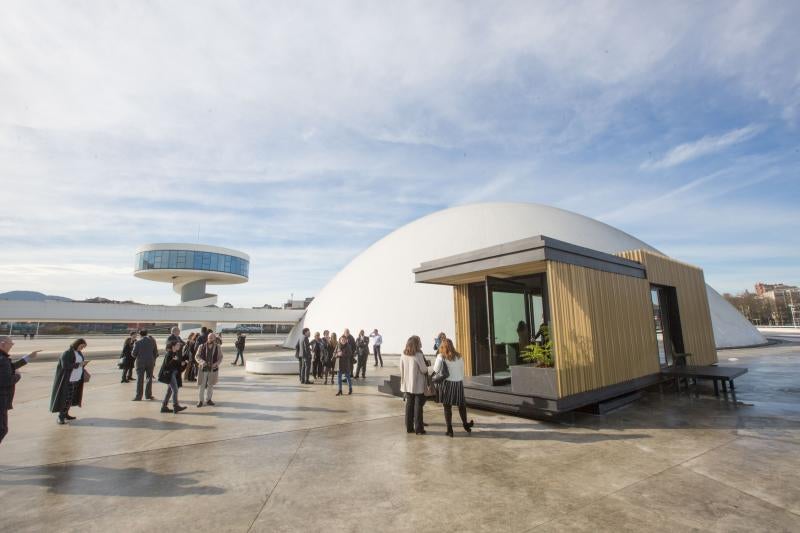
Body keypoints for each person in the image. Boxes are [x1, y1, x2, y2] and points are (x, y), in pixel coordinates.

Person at [0, 336, 40, 444]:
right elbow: (6, 380)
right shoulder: (2, 359)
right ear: (3, 344)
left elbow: (10, 367)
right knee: (2, 429)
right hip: (1, 399)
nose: (12, 345)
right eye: (11, 343)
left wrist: (28, 357)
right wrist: (18, 376)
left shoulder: (3, 358)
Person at [434, 338, 474, 437]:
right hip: (458, 383)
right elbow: (462, 370)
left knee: (447, 407)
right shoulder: (459, 356)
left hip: (447, 384)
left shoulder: (441, 356)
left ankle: (449, 429)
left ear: (443, 347)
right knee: (461, 406)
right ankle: (466, 425)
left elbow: (436, 369)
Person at [50, 338, 90, 425]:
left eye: (83, 347)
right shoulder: (67, 353)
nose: (82, 348)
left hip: (76, 379)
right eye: (82, 346)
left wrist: (83, 364)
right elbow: (65, 365)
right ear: (77, 344)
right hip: (68, 380)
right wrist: (79, 364)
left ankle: (66, 414)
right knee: (65, 398)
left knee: (70, 398)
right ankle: (60, 416)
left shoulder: (78, 353)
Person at [400, 335, 431, 435]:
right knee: (418, 407)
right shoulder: (418, 355)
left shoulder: (403, 354)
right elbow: (424, 369)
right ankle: (419, 429)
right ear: (416, 344)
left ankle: (409, 428)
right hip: (418, 385)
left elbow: (401, 369)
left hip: (407, 384)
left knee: (409, 406)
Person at [159, 340, 188, 414]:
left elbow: (177, 366)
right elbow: (166, 366)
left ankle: (164, 407)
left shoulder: (175, 353)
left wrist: (183, 364)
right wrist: (173, 360)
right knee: (175, 390)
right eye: (178, 345)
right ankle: (176, 406)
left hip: (173, 374)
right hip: (170, 374)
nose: (179, 346)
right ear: (173, 346)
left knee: (170, 391)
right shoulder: (169, 353)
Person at [195, 332, 223, 407]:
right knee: (202, 385)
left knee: (210, 385)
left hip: (213, 369)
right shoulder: (201, 346)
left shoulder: (218, 347)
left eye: (211, 338)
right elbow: (197, 356)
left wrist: (216, 364)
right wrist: (202, 362)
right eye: (209, 337)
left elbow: (220, 357)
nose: (210, 339)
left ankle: (209, 399)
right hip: (203, 368)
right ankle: (200, 401)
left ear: (214, 338)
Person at [132, 329, 158, 401]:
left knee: (140, 379)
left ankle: (138, 396)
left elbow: (134, 354)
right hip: (150, 362)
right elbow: (156, 352)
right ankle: (148, 395)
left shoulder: (137, 342)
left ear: (140, 335)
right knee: (149, 379)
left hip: (140, 362)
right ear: (147, 334)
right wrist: (153, 359)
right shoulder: (152, 341)